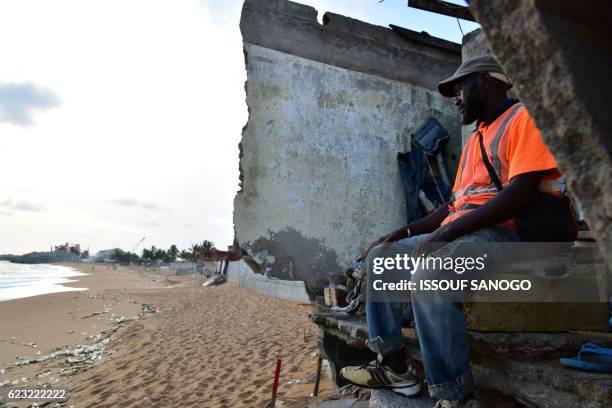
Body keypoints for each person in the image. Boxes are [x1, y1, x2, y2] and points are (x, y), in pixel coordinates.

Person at [339, 56, 566, 408]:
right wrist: (400, 233)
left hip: (505, 234)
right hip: (464, 231)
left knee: (433, 272)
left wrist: (443, 237)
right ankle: (396, 368)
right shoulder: (476, 139)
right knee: (382, 258)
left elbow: (520, 193)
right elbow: (454, 205)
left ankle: (455, 396)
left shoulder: (524, 118)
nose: (456, 97)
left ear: (488, 82)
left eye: (461, 87)